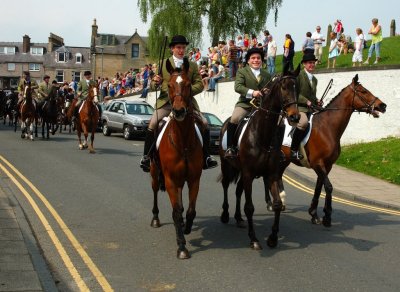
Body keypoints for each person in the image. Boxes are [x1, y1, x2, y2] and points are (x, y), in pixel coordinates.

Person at [139, 35, 218, 172]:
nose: (181, 50)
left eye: (183, 48)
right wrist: (155, 82)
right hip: (166, 102)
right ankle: (146, 157)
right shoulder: (163, 63)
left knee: (204, 123)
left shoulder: (192, 65)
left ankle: (206, 156)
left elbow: (199, 84)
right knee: (152, 123)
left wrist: (184, 92)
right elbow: (152, 85)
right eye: (178, 48)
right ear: (172, 49)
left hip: (187, 103)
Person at [225, 47, 272, 159]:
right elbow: (238, 87)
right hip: (246, 104)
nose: (256, 60)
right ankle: (230, 147)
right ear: (248, 61)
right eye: (253, 58)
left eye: (258, 58)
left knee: (279, 122)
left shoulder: (267, 75)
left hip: (262, 107)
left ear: (261, 60)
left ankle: (275, 148)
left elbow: (270, 89)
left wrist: (267, 92)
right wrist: (252, 92)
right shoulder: (242, 72)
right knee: (235, 118)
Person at [290, 53, 322, 161]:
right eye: (309, 63)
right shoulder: (298, 75)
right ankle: (293, 150)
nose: (312, 65)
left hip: (311, 108)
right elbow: (294, 92)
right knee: (303, 123)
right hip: (299, 107)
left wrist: (317, 101)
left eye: (313, 63)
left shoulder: (315, 80)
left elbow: (311, 96)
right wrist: (305, 101)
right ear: (304, 64)